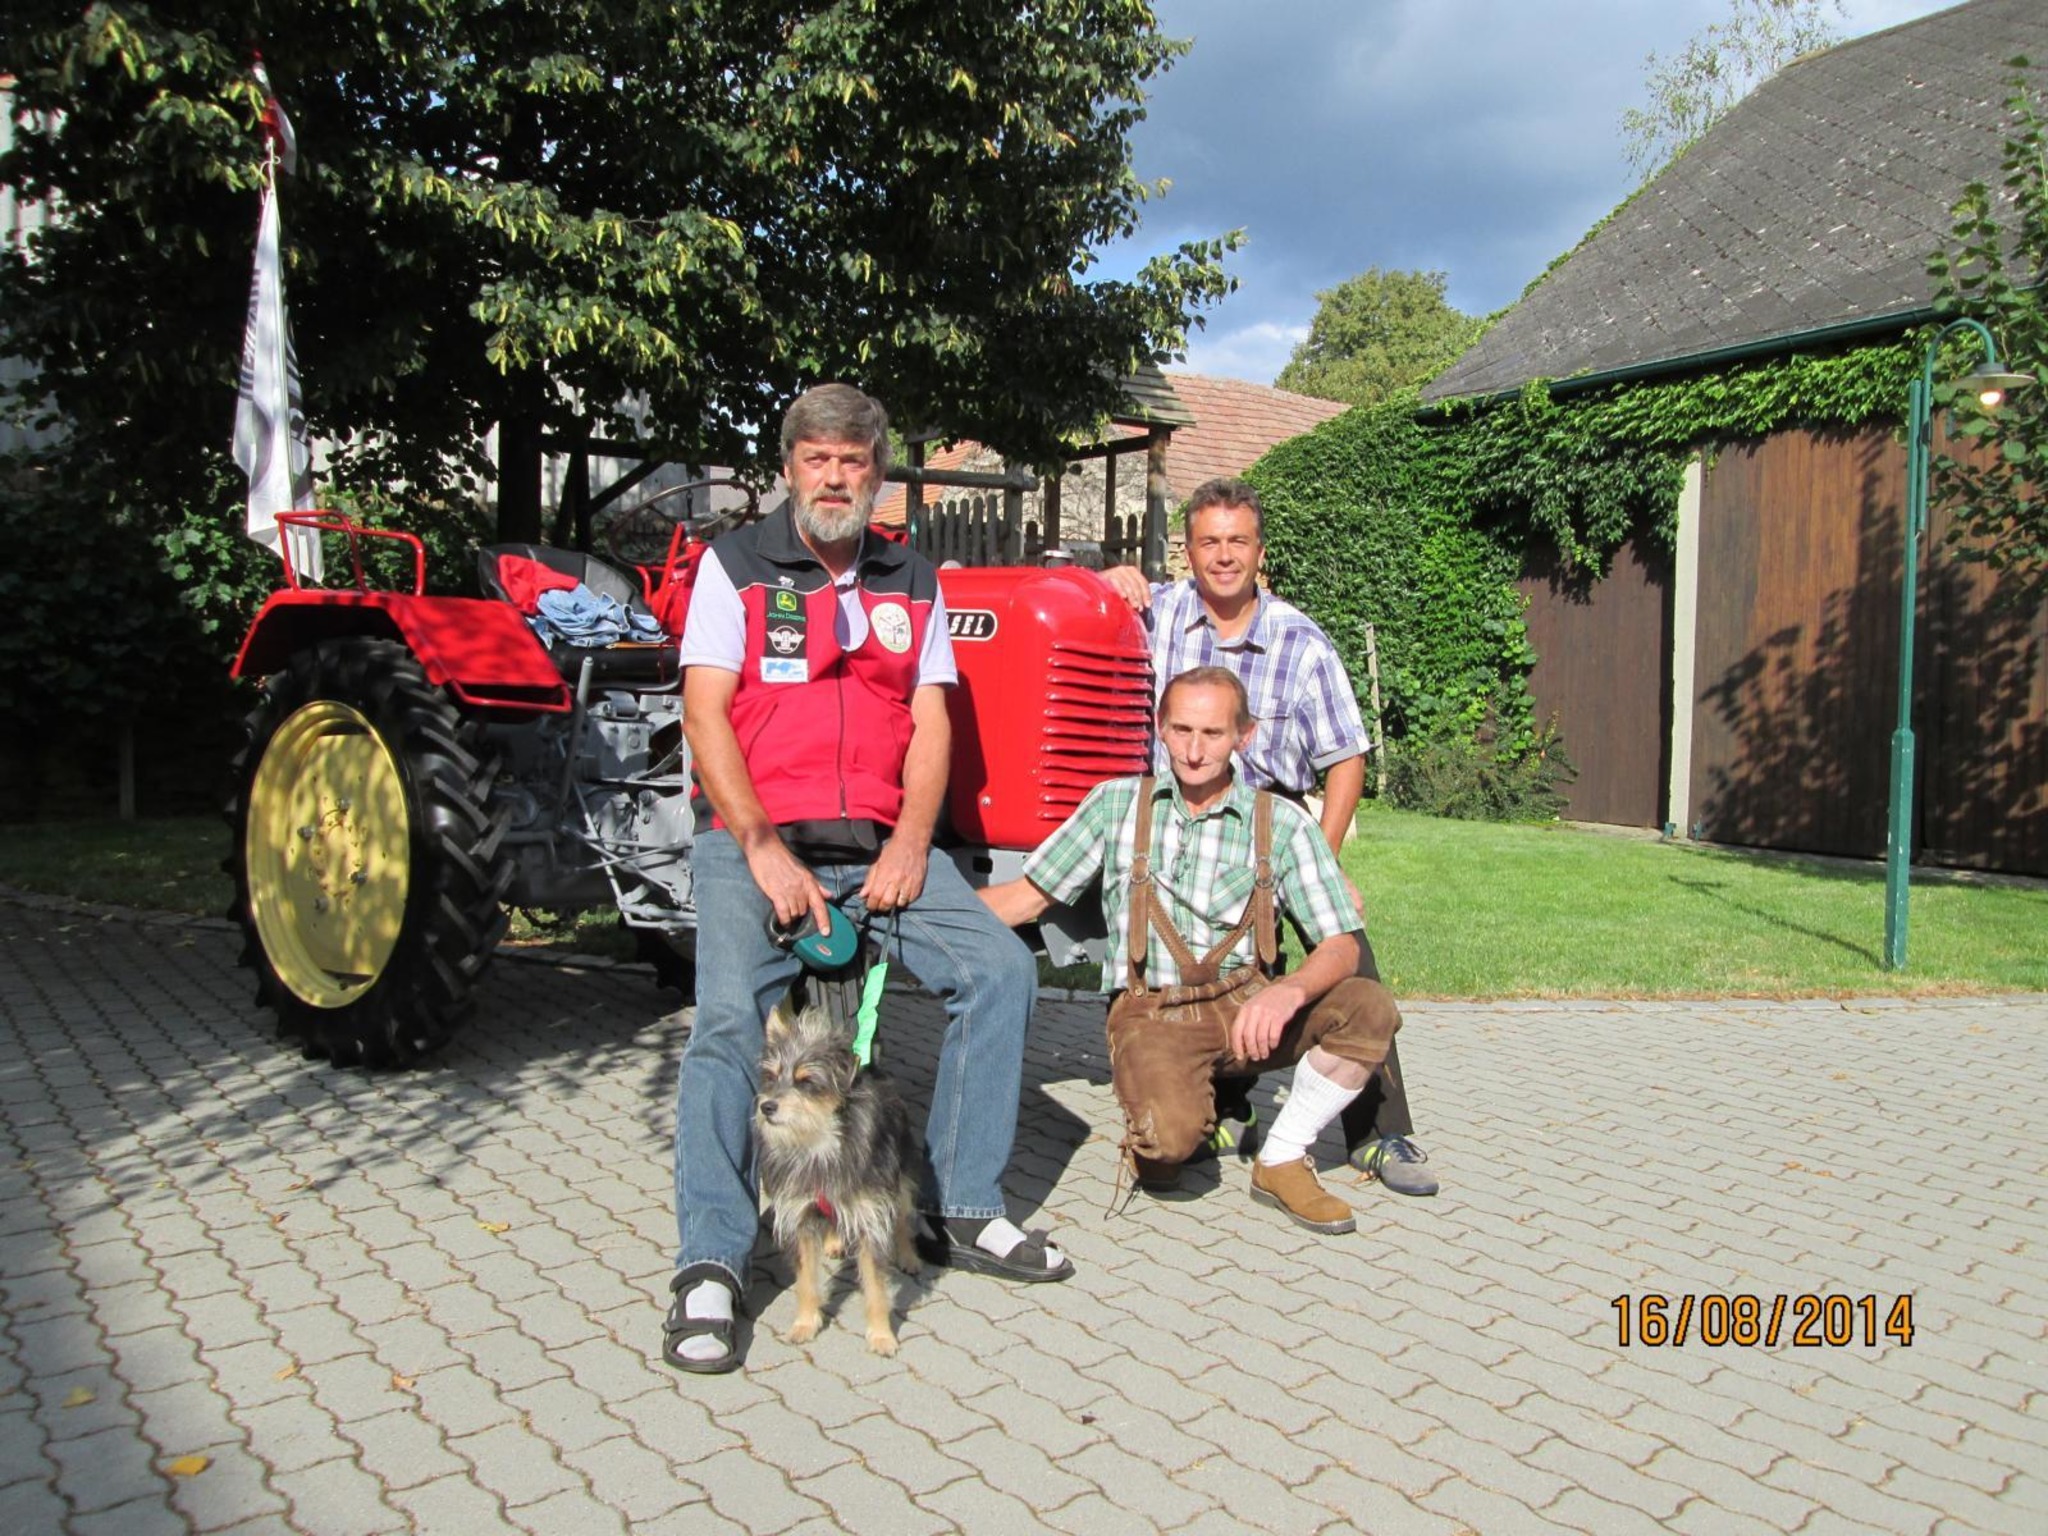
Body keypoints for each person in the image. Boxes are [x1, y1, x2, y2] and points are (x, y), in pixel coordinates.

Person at [665, 383, 1070, 1376]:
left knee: (1000, 972)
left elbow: (931, 723)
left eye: (853, 461)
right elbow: (704, 712)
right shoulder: (734, 567)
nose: (835, 477)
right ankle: (711, 1261)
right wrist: (761, 848)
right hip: (759, 846)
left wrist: (910, 843)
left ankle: (961, 1208)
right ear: (789, 468)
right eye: (817, 459)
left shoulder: (912, 579)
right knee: (726, 1027)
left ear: (879, 473)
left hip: (881, 848)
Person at [1101, 477, 1440, 1198]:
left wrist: (1324, 860)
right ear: (1187, 550)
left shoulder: (1301, 642)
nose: (1223, 555)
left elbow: (1345, 759)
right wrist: (1107, 581)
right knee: (1208, 965)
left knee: (1348, 956)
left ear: (1260, 551)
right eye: (1208, 541)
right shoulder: (1159, 613)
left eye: (1238, 541)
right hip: (1186, 821)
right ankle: (1226, 1106)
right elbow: (1084, 606)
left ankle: (1379, 1132)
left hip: (1274, 825)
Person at [980, 667, 1401, 1234]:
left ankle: (1282, 1156)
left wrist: (1287, 993)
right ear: (1159, 727)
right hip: (1154, 1012)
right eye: (1181, 731)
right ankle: (1177, 1121)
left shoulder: (1281, 823)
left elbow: (1341, 945)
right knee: (1169, 1151)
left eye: (1212, 733)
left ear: (1244, 736)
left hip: (1247, 1006)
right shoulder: (1116, 804)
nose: (1195, 751)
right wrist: (930, 911)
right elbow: (1026, 898)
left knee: (1369, 1006)